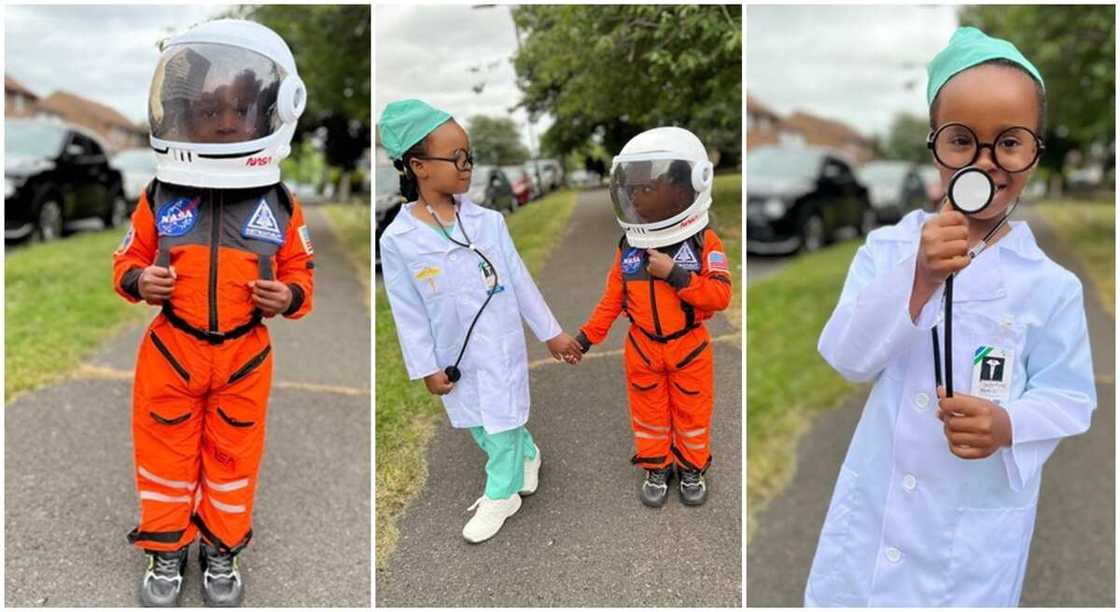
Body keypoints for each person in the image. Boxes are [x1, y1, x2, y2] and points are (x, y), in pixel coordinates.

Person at [806, 27, 1096, 606]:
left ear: (1035, 152)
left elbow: (1070, 397)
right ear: (935, 145)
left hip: (970, 543)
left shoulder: (1051, 287)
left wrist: (1008, 424)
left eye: (1009, 142)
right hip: (876, 518)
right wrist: (917, 279)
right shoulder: (888, 250)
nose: (985, 162)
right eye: (962, 140)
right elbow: (846, 357)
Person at [112, 19, 314, 607]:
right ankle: (167, 548)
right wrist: (140, 280)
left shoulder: (279, 204)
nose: (225, 121)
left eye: (241, 109)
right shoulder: (160, 195)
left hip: (243, 358)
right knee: (165, 459)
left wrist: (289, 296)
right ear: (183, 115)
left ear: (272, 112)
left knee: (232, 461)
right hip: (172, 351)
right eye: (208, 110)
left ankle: (221, 548)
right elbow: (127, 259)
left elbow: (302, 275)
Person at [377, 99, 582, 544]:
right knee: (477, 421)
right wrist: (425, 366)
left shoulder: (489, 223)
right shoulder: (398, 240)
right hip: (454, 354)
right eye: (456, 157)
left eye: (468, 156)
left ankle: (500, 493)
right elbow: (408, 313)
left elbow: (520, 280)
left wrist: (551, 333)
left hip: (499, 345)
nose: (466, 166)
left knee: (502, 418)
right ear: (419, 166)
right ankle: (527, 454)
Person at [574, 127, 732, 507]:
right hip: (643, 348)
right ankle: (656, 466)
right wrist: (585, 338)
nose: (635, 197)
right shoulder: (629, 248)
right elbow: (612, 300)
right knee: (649, 415)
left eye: (647, 188)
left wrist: (676, 275)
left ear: (684, 191)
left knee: (692, 414)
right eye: (632, 189)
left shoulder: (703, 242)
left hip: (689, 348)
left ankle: (691, 468)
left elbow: (720, 296)